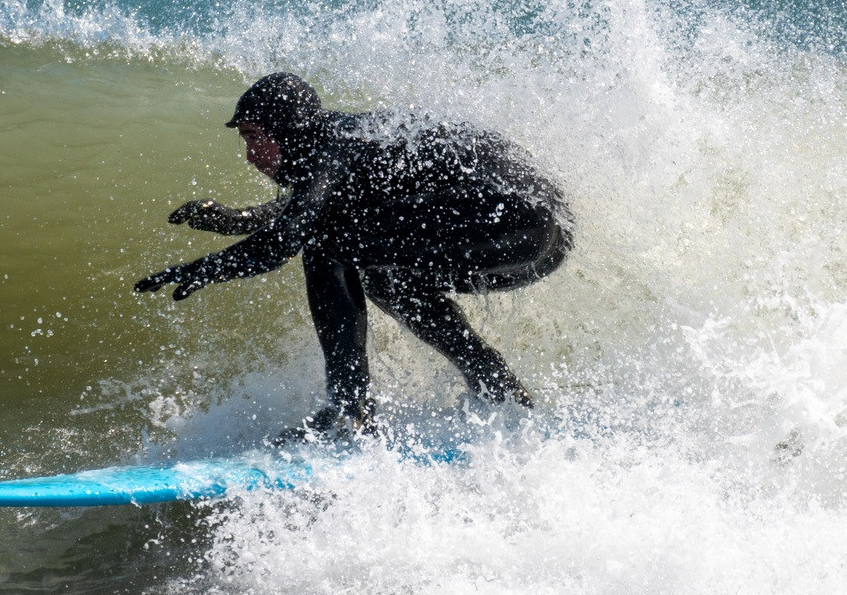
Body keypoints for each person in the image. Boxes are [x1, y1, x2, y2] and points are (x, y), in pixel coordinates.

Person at [134, 72, 571, 436]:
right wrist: (237, 219)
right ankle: (494, 382)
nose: (250, 156)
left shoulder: (330, 146)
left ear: (287, 128)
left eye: (254, 137)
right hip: (545, 234)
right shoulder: (345, 143)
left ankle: (349, 407)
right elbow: (313, 209)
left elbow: (288, 239)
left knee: (327, 245)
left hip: (512, 218)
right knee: (384, 275)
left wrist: (207, 267)